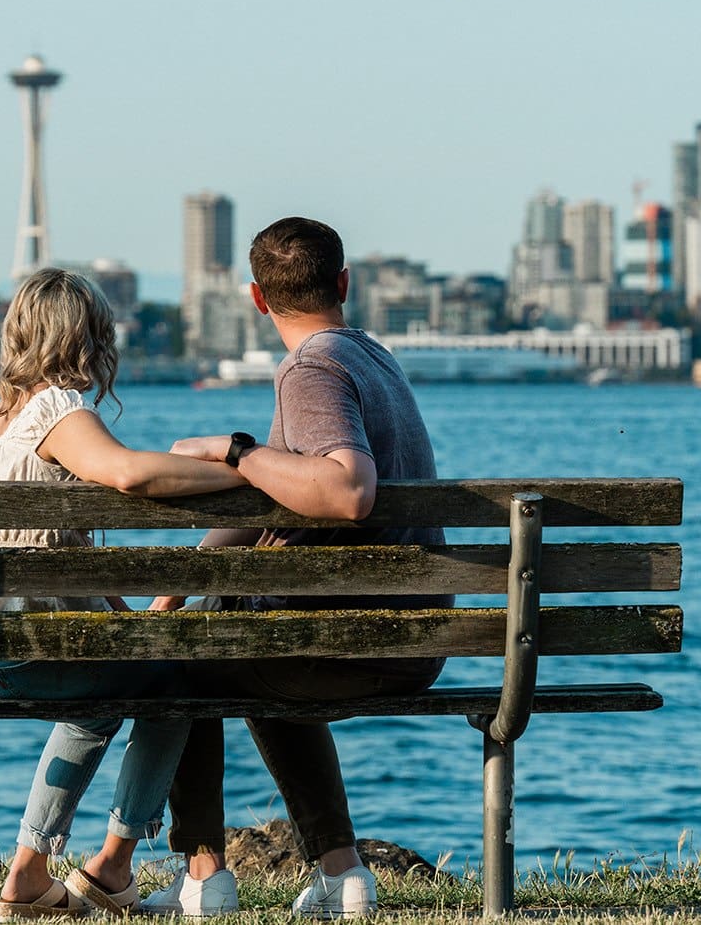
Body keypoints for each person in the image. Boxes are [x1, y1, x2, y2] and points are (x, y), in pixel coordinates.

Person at [143, 217, 450, 920]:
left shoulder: (311, 369)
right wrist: (174, 594)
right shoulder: (373, 357)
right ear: (345, 283)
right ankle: (343, 875)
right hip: (421, 636)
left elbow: (346, 489)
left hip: (359, 641)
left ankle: (204, 878)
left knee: (188, 663)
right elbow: (267, 503)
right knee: (243, 642)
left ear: (256, 297)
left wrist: (235, 450)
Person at [0, 268, 246, 921]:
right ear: (88, 337)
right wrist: (231, 465)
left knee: (121, 686)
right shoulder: (55, 407)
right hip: (21, 647)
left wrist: (123, 618)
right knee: (175, 680)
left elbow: (58, 539)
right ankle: (105, 865)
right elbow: (129, 471)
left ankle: (40, 876)